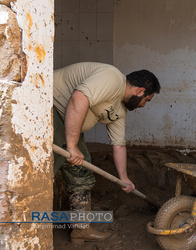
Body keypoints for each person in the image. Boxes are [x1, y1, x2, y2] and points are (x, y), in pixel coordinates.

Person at [53, 62, 161, 243]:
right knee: (43, 169)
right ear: (140, 90)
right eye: (146, 100)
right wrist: (72, 145)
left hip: (69, 124)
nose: (143, 106)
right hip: (50, 109)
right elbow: (78, 99)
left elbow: (118, 145)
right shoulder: (113, 78)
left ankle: (81, 229)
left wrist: (124, 177)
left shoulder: (120, 109)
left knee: (81, 173)